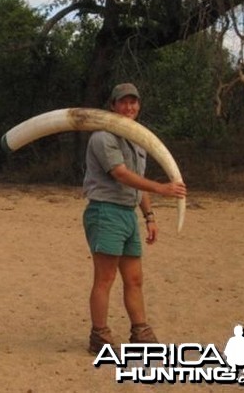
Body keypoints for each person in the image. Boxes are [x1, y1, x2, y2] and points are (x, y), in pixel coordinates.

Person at [82, 83, 187, 354]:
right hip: (105, 211)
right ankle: (99, 336)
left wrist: (149, 216)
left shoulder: (137, 139)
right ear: (113, 105)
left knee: (135, 279)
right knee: (105, 278)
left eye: (133, 102)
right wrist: (162, 188)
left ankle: (140, 331)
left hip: (127, 214)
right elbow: (121, 174)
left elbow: (136, 185)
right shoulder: (103, 137)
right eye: (123, 102)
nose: (129, 107)